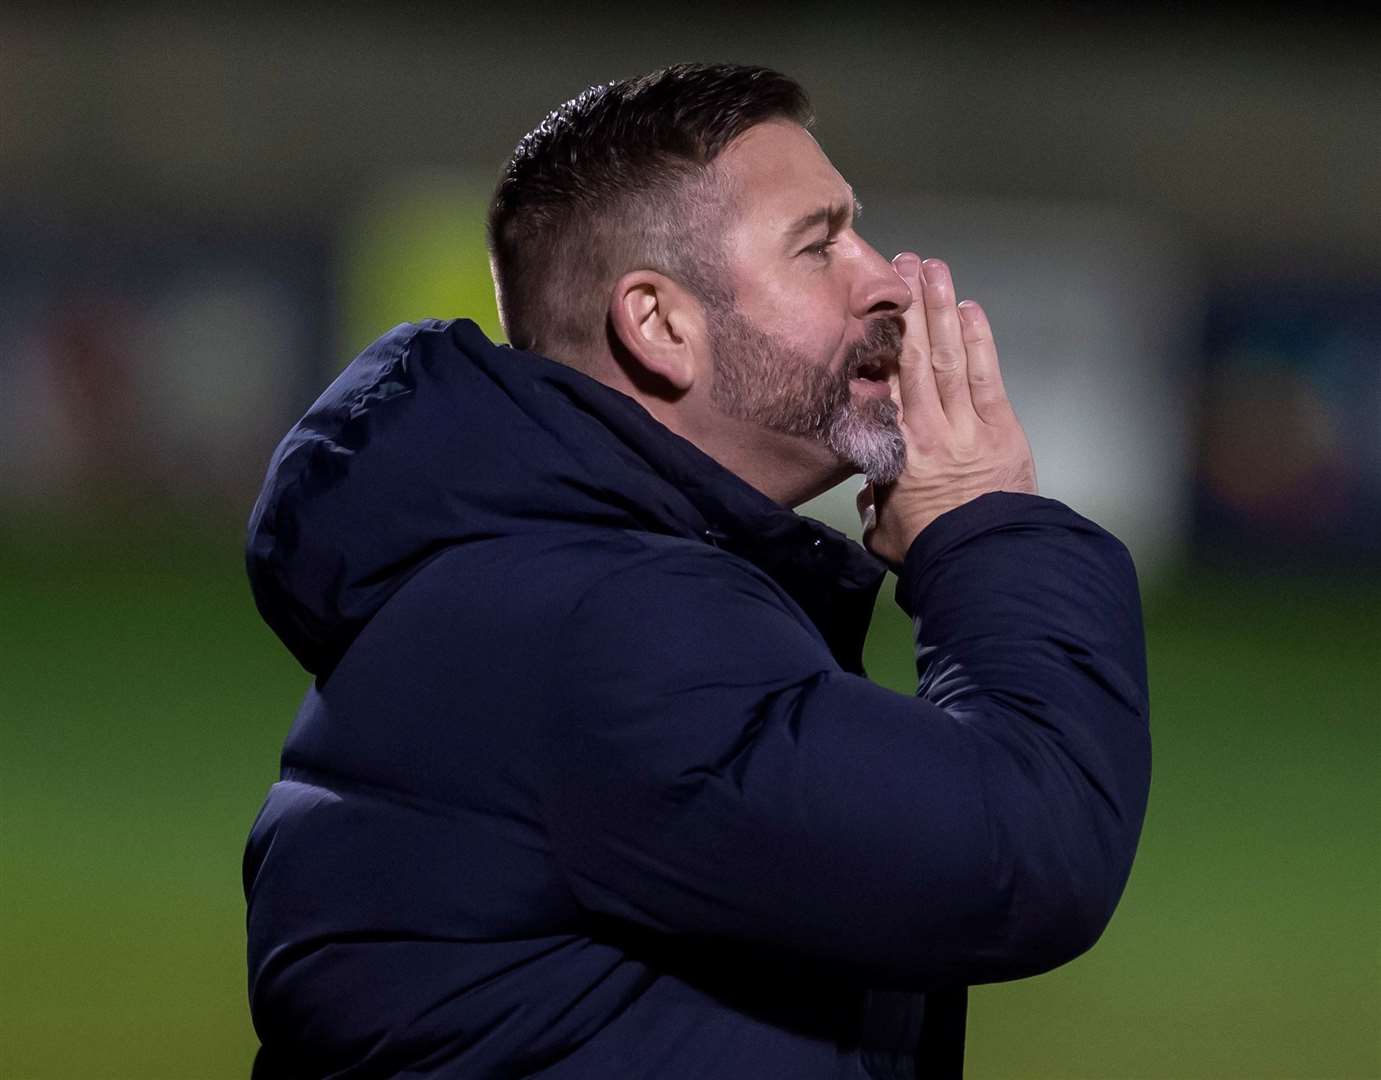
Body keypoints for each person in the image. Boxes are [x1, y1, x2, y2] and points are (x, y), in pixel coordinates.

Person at [243, 63, 1150, 1078]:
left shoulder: (540, 577)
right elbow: (1025, 851)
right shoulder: (604, 625)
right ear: (660, 324)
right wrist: (987, 529)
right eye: (819, 246)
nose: (885, 276)